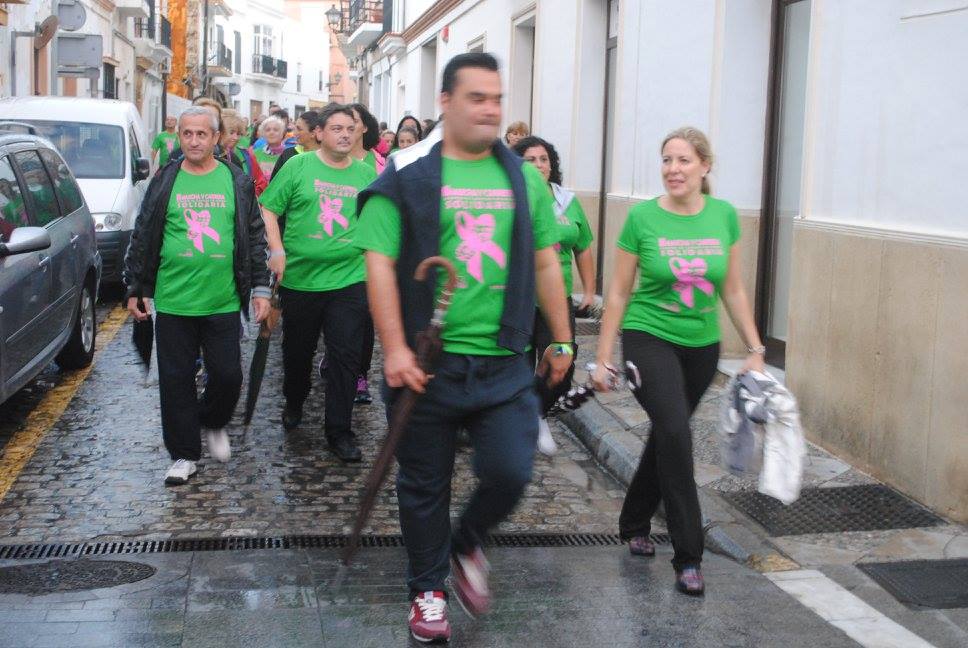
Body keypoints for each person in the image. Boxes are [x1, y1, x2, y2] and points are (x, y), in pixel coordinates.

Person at [355, 52, 572, 643]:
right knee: (424, 485)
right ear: (446, 102)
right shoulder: (406, 174)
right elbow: (379, 264)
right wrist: (394, 349)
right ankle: (427, 590)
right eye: (477, 98)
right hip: (427, 365)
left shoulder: (524, 178)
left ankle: (468, 542)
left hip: (503, 362)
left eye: (497, 99)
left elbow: (546, 261)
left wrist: (561, 338)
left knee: (510, 469)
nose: (490, 109)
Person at [592, 126, 765, 597]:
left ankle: (634, 520)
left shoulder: (724, 216)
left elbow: (732, 287)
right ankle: (689, 555)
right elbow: (619, 293)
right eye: (667, 160)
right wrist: (603, 357)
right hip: (648, 336)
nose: (673, 169)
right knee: (675, 432)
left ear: (705, 166)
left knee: (668, 434)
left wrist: (755, 349)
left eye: (684, 160)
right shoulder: (642, 218)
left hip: (702, 346)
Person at [123, 106, 272, 486]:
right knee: (175, 380)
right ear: (179, 137)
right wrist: (136, 288)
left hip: (222, 300)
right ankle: (183, 454)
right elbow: (143, 233)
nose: (193, 141)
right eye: (187, 133)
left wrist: (260, 288)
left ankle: (213, 419)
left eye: (201, 134)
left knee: (228, 375)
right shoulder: (165, 180)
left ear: (216, 138)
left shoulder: (235, 180)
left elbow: (253, 236)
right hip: (174, 300)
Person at [259, 104, 377, 463]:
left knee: (345, 356)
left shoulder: (366, 173)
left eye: (350, 129)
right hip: (301, 281)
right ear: (319, 133)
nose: (345, 134)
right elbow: (269, 209)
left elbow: (377, 220)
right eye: (336, 128)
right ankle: (295, 399)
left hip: (349, 279)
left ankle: (339, 431)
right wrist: (276, 249)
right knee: (298, 355)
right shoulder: (298, 166)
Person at [514, 136, 596, 456]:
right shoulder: (512, 197)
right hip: (521, 297)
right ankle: (521, 420)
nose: (539, 165)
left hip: (557, 298)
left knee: (563, 359)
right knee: (520, 364)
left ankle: (538, 413)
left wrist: (589, 289)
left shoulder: (567, 201)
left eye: (544, 159)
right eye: (530, 160)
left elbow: (583, 246)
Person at [271, 110, 322, 178]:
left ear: (313, 133)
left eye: (299, 129)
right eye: (295, 128)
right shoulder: (287, 155)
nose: (294, 133)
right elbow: (275, 182)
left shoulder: (327, 158)